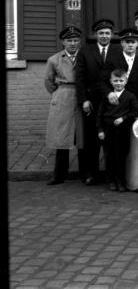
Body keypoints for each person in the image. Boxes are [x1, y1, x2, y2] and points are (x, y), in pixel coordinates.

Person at [76, 18, 121, 185]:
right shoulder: (85, 51)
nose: (104, 36)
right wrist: (84, 100)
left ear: (111, 34)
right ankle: (90, 173)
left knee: (111, 139)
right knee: (91, 139)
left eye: (107, 33)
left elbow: (122, 75)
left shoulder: (118, 51)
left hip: (112, 100)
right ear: (96, 34)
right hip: (92, 101)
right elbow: (79, 78)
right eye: (101, 33)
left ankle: (112, 175)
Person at [44, 26, 84, 185]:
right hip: (63, 96)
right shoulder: (54, 59)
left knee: (82, 137)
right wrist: (59, 94)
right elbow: (48, 82)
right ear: (63, 42)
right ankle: (59, 175)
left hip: (81, 96)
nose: (73, 43)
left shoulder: (84, 57)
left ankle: (85, 174)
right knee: (61, 138)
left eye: (75, 40)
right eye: (69, 40)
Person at [96, 69, 138, 192]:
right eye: (115, 81)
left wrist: (123, 118)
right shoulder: (107, 97)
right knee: (109, 156)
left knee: (121, 156)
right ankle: (111, 181)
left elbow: (135, 112)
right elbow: (100, 114)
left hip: (123, 131)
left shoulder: (130, 96)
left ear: (126, 81)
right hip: (108, 130)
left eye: (121, 80)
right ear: (111, 81)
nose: (118, 83)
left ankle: (121, 181)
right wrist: (100, 130)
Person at [102, 28, 138, 118]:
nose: (130, 45)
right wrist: (109, 93)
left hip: (135, 106)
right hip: (115, 105)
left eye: (133, 42)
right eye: (127, 42)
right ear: (122, 43)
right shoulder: (112, 60)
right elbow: (102, 81)